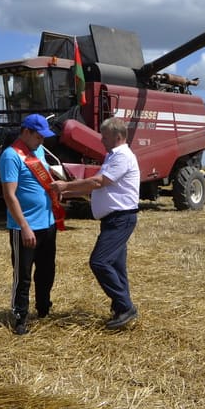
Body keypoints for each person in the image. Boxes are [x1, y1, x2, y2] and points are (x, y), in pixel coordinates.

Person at [51, 117, 140, 330]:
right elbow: (94, 186)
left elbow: (98, 182)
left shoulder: (122, 157)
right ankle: (121, 308)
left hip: (121, 218)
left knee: (99, 262)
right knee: (117, 266)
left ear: (118, 137)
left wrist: (65, 186)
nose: (101, 140)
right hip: (114, 219)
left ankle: (126, 307)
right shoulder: (112, 156)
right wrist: (67, 191)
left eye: (105, 136)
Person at [0, 113, 65, 335]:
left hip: (47, 223)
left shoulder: (37, 151)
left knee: (47, 270)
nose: (42, 141)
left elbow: (43, 179)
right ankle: (20, 316)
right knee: (23, 274)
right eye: (39, 136)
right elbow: (9, 195)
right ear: (26, 132)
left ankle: (44, 308)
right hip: (25, 227)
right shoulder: (11, 156)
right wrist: (24, 226)